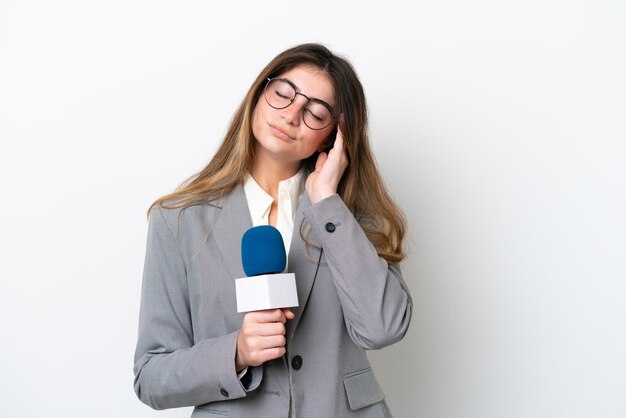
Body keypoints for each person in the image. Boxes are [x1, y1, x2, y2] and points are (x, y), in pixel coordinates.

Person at [133, 43, 413, 418]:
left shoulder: (348, 217)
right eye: (283, 94)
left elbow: (384, 327)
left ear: (335, 135)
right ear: (258, 95)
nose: (292, 115)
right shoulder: (178, 219)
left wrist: (326, 202)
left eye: (315, 112)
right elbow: (151, 376)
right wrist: (237, 352)